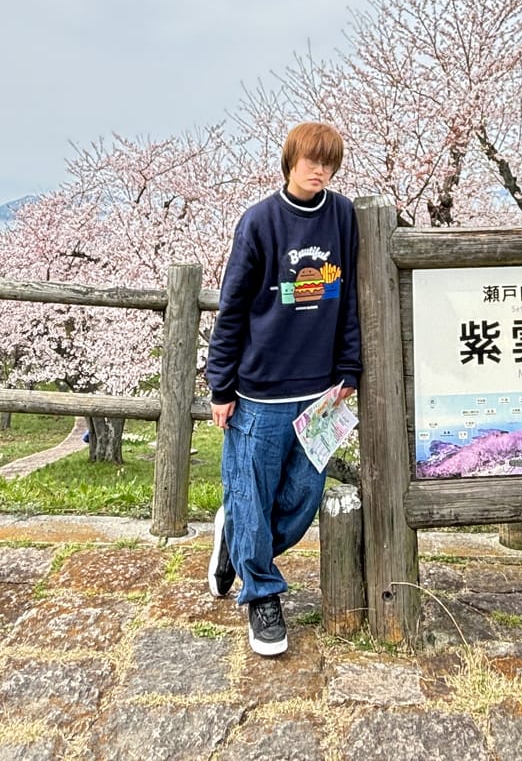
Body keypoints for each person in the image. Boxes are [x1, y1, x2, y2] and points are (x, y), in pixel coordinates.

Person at [203, 121, 361, 657]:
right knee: (253, 493)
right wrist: (221, 386)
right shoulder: (260, 223)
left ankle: (237, 542)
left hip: (321, 395)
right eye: (312, 160)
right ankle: (262, 596)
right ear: (290, 160)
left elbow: (351, 302)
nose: (321, 171)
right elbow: (232, 312)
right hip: (260, 393)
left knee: (301, 497)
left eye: (330, 163)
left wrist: (350, 370)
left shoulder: (342, 217)